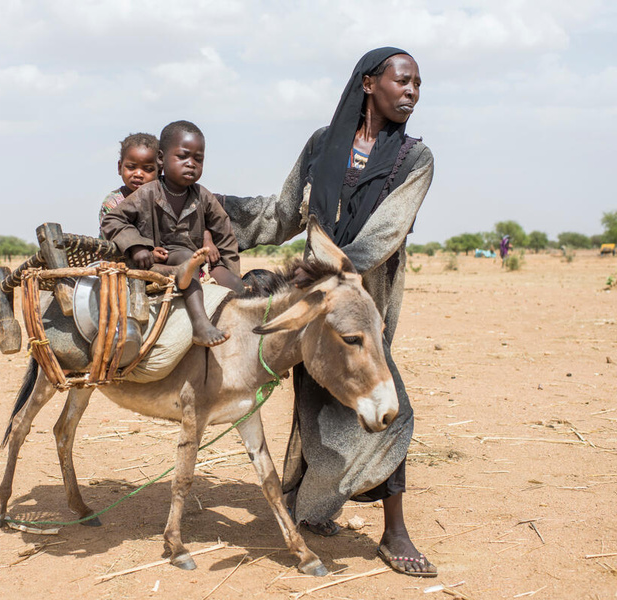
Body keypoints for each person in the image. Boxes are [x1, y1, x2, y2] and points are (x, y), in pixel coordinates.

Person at [221, 48, 437, 577]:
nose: (411, 92)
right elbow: (282, 212)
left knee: (384, 395)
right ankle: (312, 506)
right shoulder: (322, 144)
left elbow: (386, 233)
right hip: (315, 295)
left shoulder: (415, 158)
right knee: (313, 396)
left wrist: (334, 275)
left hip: (365, 295)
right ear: (369, 83)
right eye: (402, 81)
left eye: (417, 84)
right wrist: (211, 208)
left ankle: (395, 530)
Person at [101, 120, 245, 347]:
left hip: (197, 264)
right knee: (187, 258)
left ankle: (243, 341)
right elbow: (113, 219)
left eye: (198, 159)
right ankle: (200, 325)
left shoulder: (203, 196)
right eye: (183, 157)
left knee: (237, 286)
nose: (191, 164)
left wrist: (227, 270)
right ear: (161, 159)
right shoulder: (147, 193)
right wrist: (137, 246)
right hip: (156, 263)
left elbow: (225, 235)